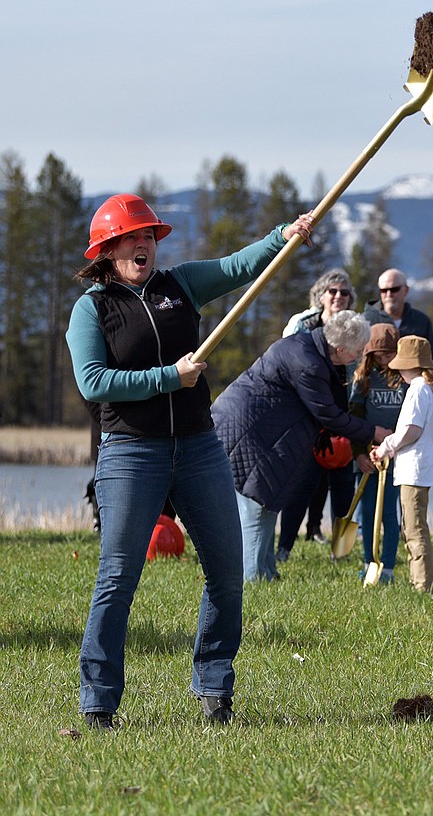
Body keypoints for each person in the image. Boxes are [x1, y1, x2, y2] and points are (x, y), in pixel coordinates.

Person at [66, 193, 314, 729]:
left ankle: (214, 687)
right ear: (106, 250)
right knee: (119, 576)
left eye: (149, 236)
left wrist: (283, 235)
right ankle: (98, 701)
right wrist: (167, 379)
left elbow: (236, 268)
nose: (143, 244)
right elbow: (94, 383)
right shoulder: (93, 308)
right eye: (131, 237)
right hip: (131, 452)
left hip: (200, 448)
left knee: (227, 570)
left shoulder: (179, 285)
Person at [214, 311, 388, 582]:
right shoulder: (309, 363)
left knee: (268, 503)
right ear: (340, 348)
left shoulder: (310, 350)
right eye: (356, 351)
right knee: (255, 505)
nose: (357, 357)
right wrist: (373, 431)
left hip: (264, 433)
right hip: (246, 433)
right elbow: (327, 414)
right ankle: (251, 577)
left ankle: (266, 571)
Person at [277, 269, 358, 561]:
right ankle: (284, 548)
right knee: (300, 488)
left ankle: (343, 551)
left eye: (344, 292)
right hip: (307, 420)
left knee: (344, 493)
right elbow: (285, 366)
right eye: (332, 291)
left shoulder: (357, 327)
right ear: (320, 295)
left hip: (343, 419)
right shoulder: (302, 325)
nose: (338, 296)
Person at [371, 336, 433, 592]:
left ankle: (421, 585)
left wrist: (386, 448)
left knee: (414, 529)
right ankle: (419, 581)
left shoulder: (417, 389)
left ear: (410, 365)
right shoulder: (428, 388)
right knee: (414, 526)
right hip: (419, 467)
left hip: (414, 468)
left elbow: (410, 431)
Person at [350, 324, 405, 580]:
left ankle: (389, 566)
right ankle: (369, 563)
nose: (385, 359)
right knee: (369, 511)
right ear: (370, 353)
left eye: (389, 354)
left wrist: (393, 445)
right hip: (367, 459)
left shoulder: (404, 379)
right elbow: (354, 419)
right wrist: (359, 455)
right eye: (380, 354)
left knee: (389, 513)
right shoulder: (363, 379)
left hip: (395, 457)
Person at [363, 268, 433, 357]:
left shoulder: (422, 321)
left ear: (406, 290)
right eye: (384, 290)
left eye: (394, 289)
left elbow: (431, 358)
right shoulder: (366, 320)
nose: (389, 294)